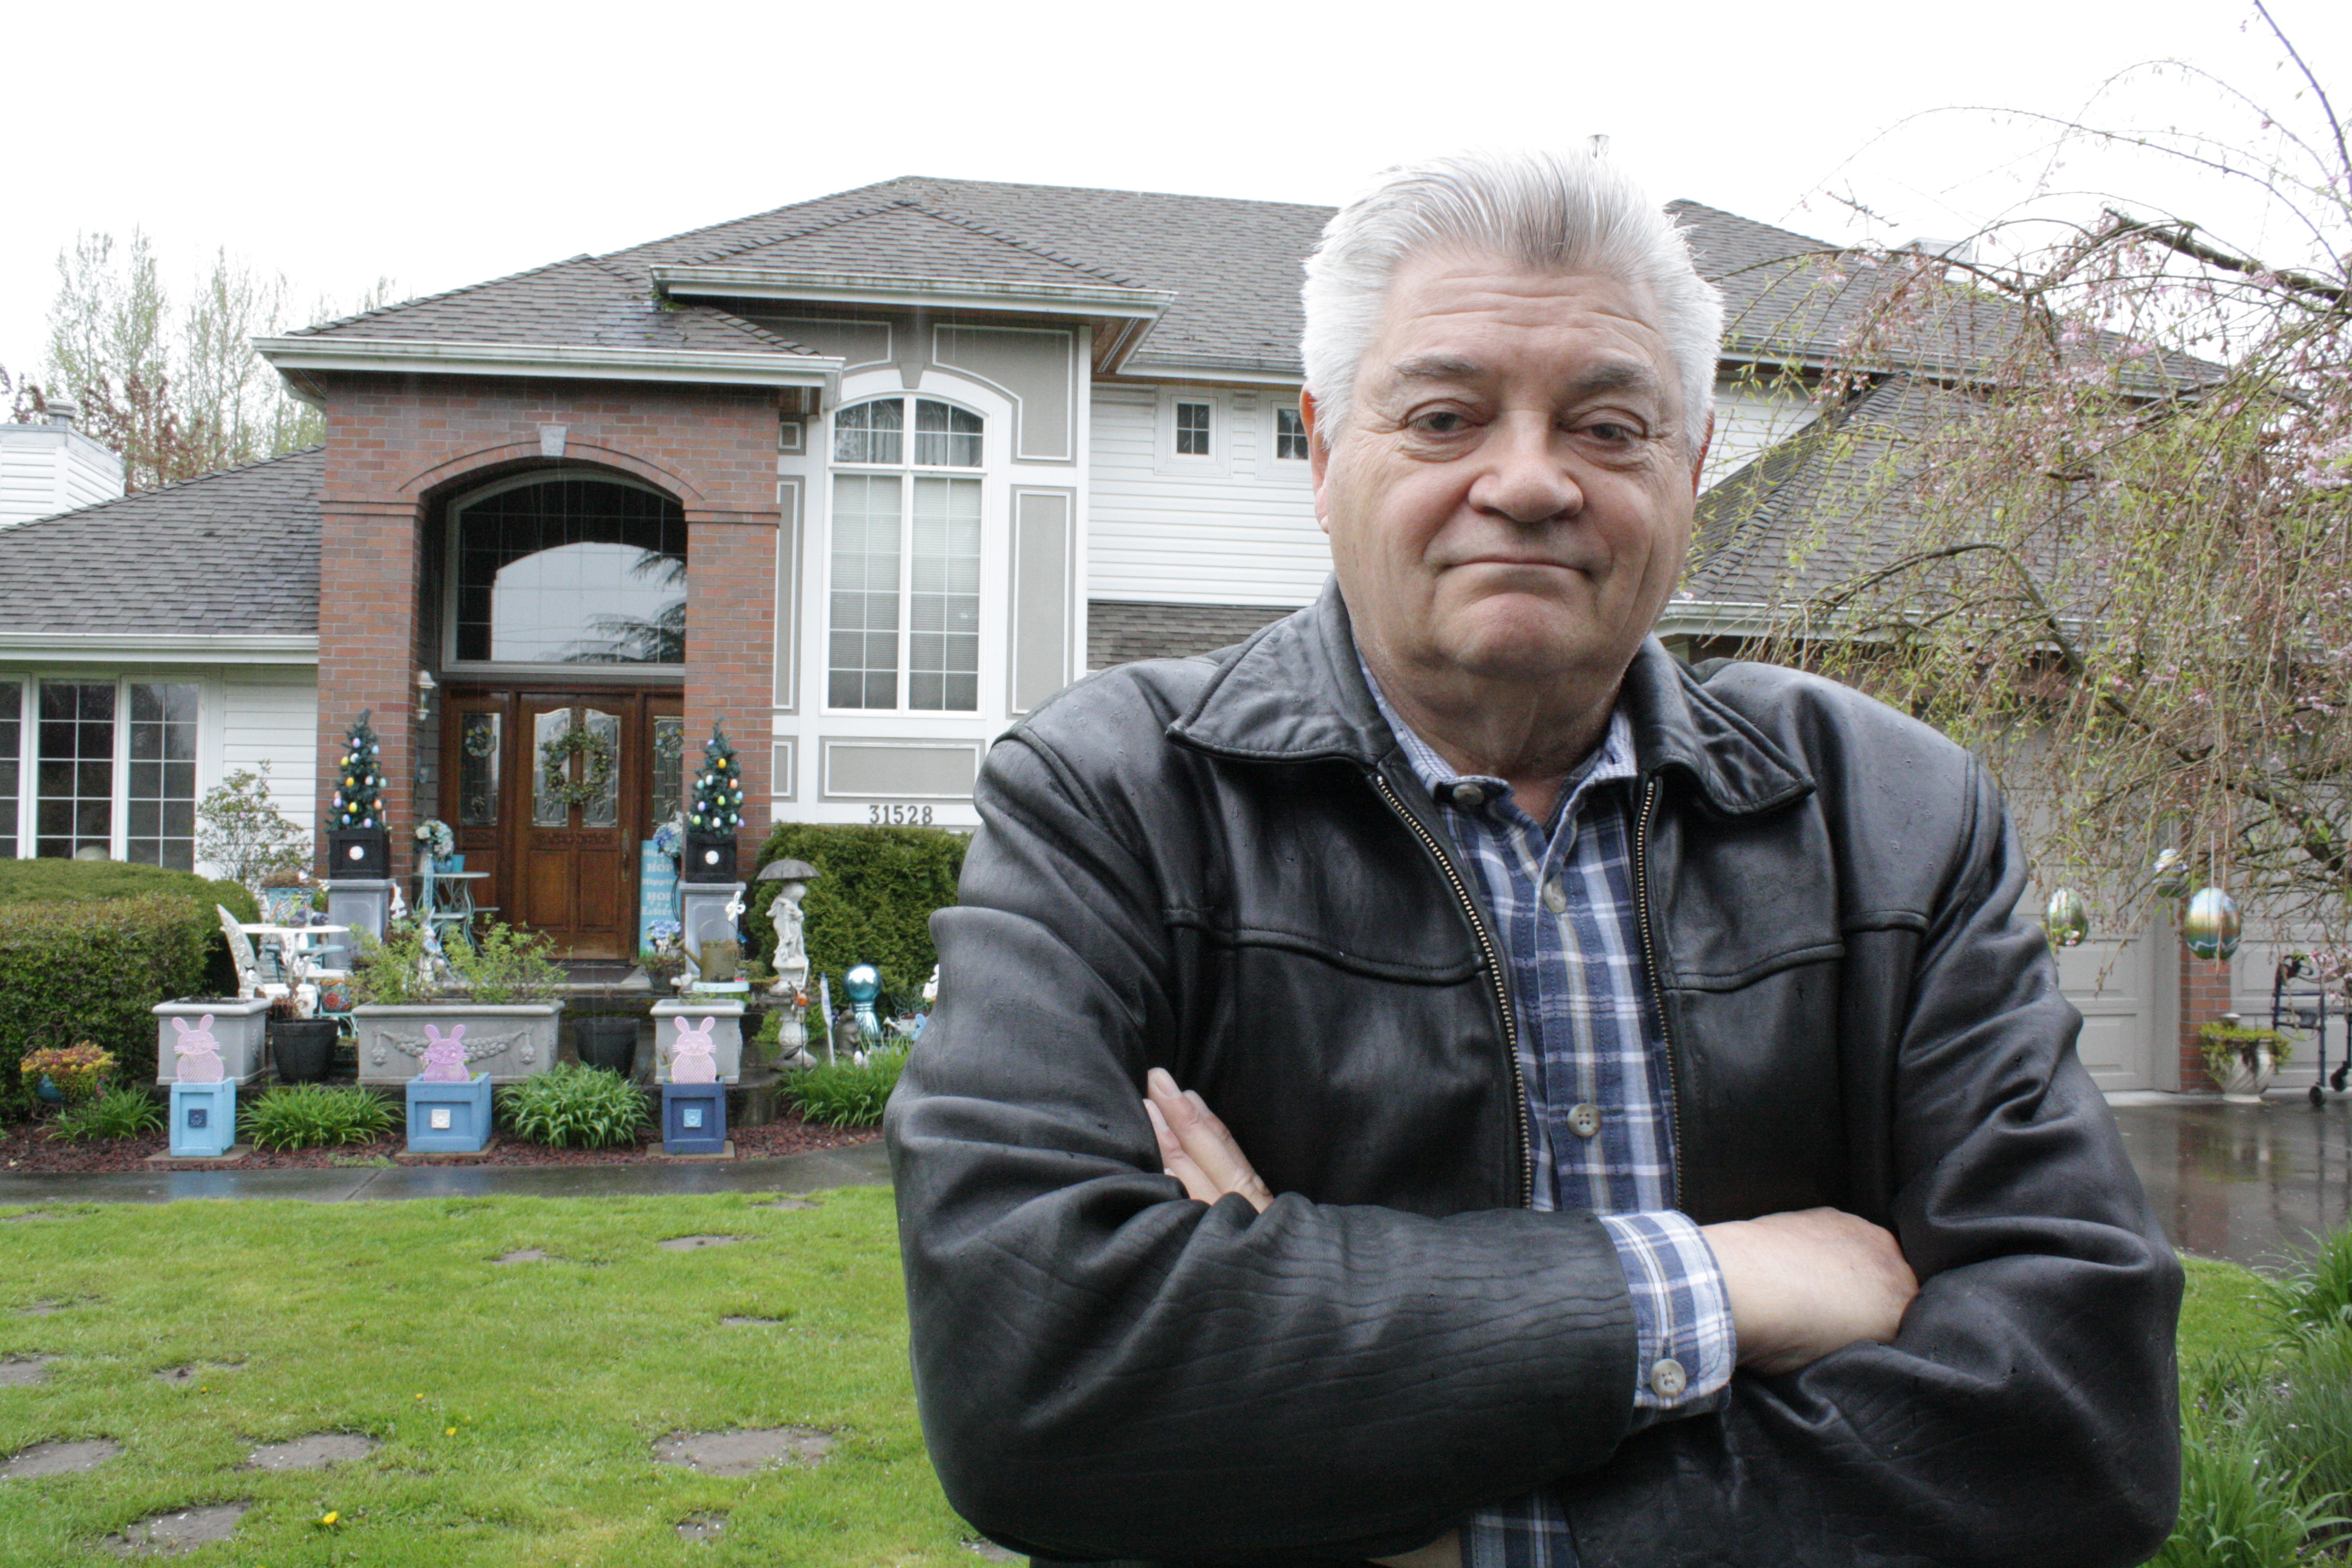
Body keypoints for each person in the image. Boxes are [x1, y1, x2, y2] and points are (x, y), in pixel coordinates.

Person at [886, 147, 2180, 1568]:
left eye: (1609, 428)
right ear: (1323, 454)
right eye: (1445, 417)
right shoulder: (1121, 797)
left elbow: (2079, 1420)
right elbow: (1039, 1379)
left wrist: (1454, 1517)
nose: (1528, 481)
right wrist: (1722, 1284)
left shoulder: (1893, 815)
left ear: (1688, 469)